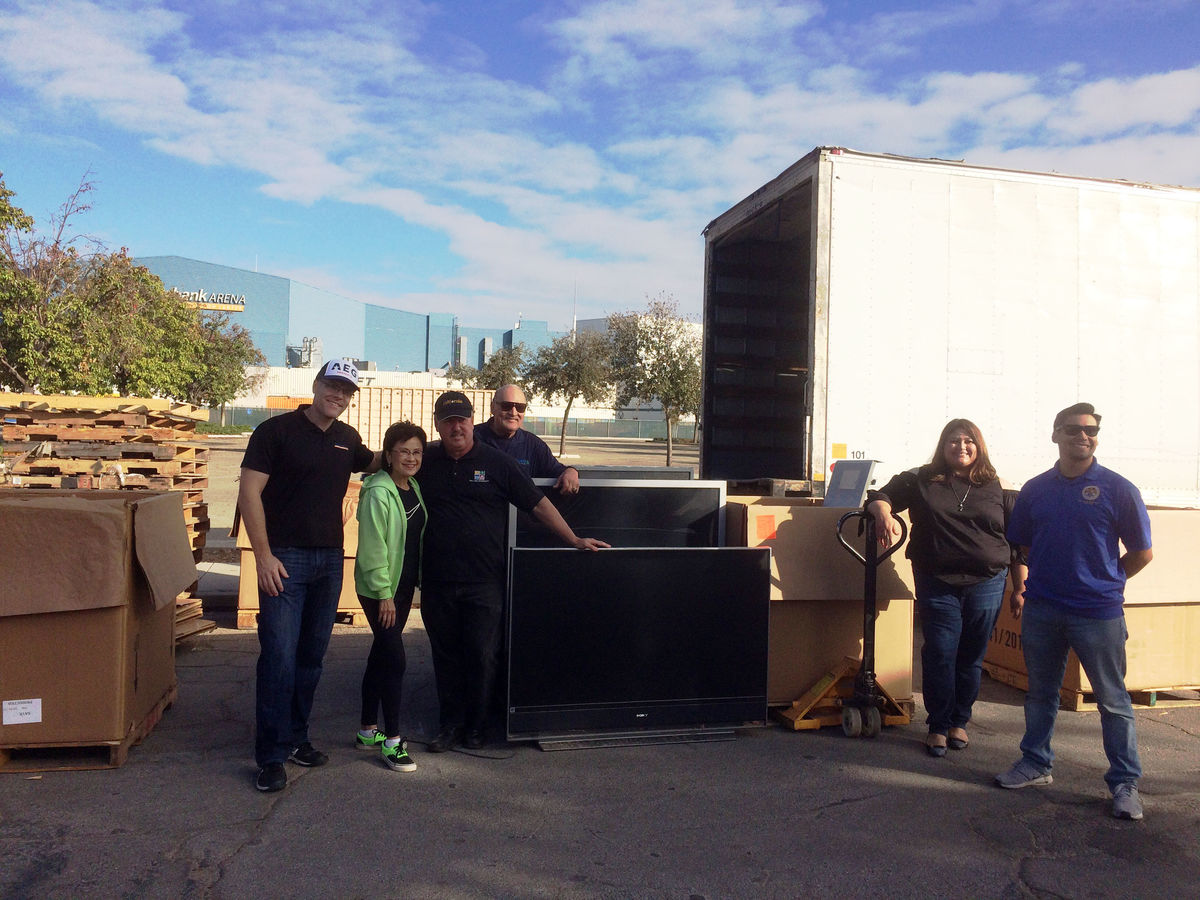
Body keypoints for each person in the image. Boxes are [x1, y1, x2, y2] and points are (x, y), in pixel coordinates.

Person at [419, 390, 609, 752]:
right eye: (448, 420)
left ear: (471, 419)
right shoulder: (425, 459)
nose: (456, 426)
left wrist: (574, 540)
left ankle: (476, 728)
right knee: (446, 657)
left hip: (485, 582)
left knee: (482, 655)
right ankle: (449, 727)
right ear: (438, 424)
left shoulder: (496, 462)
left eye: (461, 419)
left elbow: (538, 505)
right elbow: (385, 463)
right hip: (437, 581)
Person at [995, 403, 1153, 821]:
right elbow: (1024, 544)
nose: (1083, 436)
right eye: (1073, 429)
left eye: (1091, 430)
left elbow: (1142, 553)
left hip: (1098, 612)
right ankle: (1035, 763)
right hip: (1043, 608)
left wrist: (1108, 580)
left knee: (1113, 700)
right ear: (1056, 435)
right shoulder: (1036, 489)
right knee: (1041, 695)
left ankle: (1124, 783)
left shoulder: (1119, 489)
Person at [238, 358, 380, 793]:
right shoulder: (274, 433)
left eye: (347, 391)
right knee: (279, 659)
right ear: (316, 385)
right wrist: (262, 556)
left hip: (328, 563)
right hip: (284, 561)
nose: (338, 395)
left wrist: (424, 449)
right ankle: (271, 756)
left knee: (310, 659)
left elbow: (379, 461)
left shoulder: (346, 439)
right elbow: (248, 493)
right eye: (332, 386)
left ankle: (298, 738)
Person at [866, 419, 1026, 757]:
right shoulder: (921, 478)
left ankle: (959, 722)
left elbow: (1018, 542)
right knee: (940, 651)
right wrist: (884, 514)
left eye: (969, 441)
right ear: (943, 445)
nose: (962, 447)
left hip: (988, 581)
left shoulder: (1001, 485)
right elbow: (881, 496)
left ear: (979, 446)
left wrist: (1020, 586)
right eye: (954, 441)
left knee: (970, 656)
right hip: (937, 581)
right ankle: (938, 725)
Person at [353, 421, 428, 773]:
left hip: (402, 586)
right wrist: (384, 594)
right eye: (403, 451)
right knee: (395, 659)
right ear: (389, 455)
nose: (411, 458)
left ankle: (368, 729)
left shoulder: (412, 487)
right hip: (381, 589)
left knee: (381, 654)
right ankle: (393, 742)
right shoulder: (378, 491)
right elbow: (372, 549)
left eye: (416, 451)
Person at [473, 384, 580, 494]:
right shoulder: (472, 438)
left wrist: (571, 471)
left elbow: (556, 470)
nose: (513, 412)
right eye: (506, 406)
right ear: (493, 407)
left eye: (520, 407)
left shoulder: (533, 445)